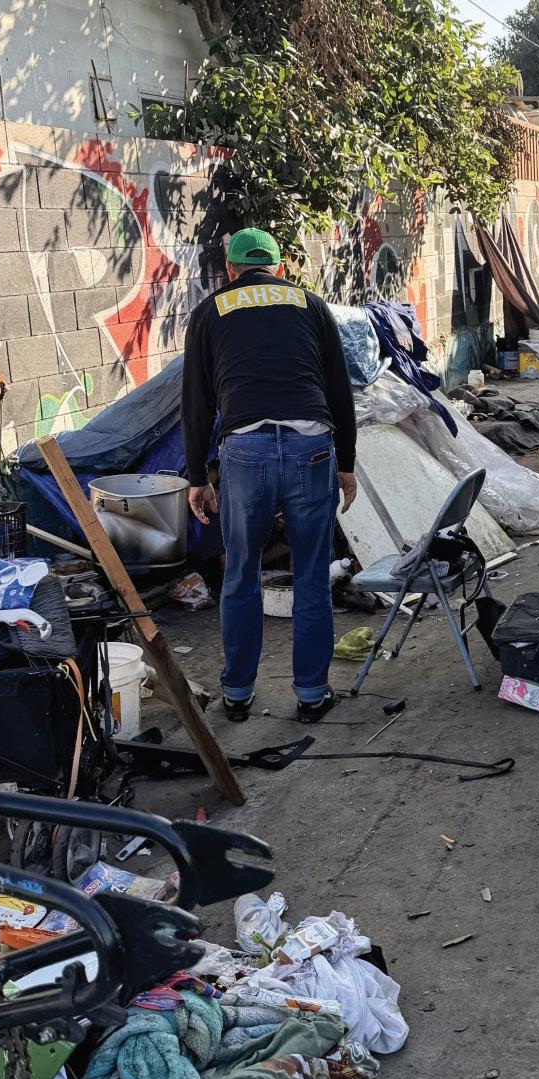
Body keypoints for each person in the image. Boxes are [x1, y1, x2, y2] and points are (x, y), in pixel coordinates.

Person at [181, 228, 357, 724]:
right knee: (311, 577)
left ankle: (237, 693)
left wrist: (197, 476)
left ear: (230, 270)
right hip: (311, 448)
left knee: (241, 574)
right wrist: (346, 463)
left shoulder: (211, 310)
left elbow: (196, 400)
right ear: (279, 268)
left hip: (245, 451)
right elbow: (339, 389)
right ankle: (312, 695)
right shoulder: (310, 305)